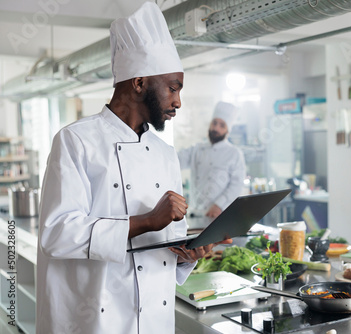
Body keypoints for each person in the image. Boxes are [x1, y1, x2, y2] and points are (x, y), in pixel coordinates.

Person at [35, 3, 230, 333]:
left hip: (154, 320)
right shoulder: (75, 141)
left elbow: (166, 245)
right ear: (139, 82)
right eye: (173, 87)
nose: (178, 102)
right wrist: (147, 221)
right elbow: (57, 233)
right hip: (98, 320)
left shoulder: (165, 154)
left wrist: (187, 254)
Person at [178, 101, 246, 218]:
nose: (216, 128)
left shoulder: (234, 153)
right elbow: (174, 161)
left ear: (227, 131)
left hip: (220, 214)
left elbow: (236, 185)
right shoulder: (197, 149)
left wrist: (219, 205)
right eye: (214, 123)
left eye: (222, 125)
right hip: (196, 214)